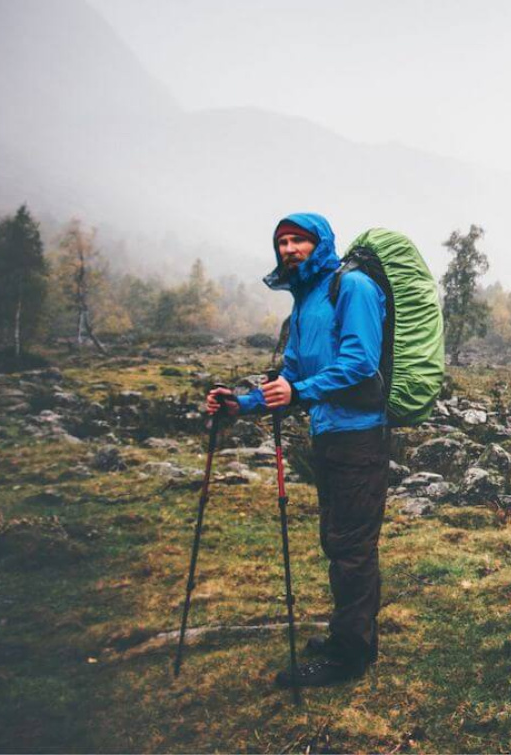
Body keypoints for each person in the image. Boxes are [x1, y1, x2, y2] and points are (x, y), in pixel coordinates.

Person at [206, 212, 390, 689]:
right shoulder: (305, 301)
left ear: (320, 243)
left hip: (360, 435)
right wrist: (239, 404)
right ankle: (351, 638)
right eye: (282, 242)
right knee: (339, 541)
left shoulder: (353, 288)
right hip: (327, 434)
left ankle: (348, 657)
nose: (289, 249)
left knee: (351, 548)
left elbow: (360, 363)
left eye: (299, 241)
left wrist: (301, 393)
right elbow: (288, 377)